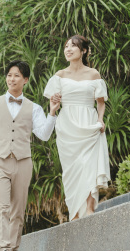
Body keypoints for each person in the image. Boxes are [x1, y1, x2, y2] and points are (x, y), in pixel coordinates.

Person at [0, 60, 60, 251]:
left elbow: (43, 135)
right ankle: (3, 250)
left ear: (25, 80)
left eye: (16, 75)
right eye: (9, 75)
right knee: (2, 207)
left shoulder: (33, 108)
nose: (11, 78)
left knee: (18, 209)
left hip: (23, 163)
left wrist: (52, 112)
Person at [43, 35, 110, 221]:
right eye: (66, 46)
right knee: (72, 169)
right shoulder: (59, 75)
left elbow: (101, 102)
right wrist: (54, 102)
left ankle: (89, 208)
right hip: (67, 125)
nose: (68, 49)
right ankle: (74, 211)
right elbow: (53, 100)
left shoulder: (93, 74)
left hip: (89, 122)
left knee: (89, 165)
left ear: (84, 51)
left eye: (73, 46)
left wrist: (100, 119)